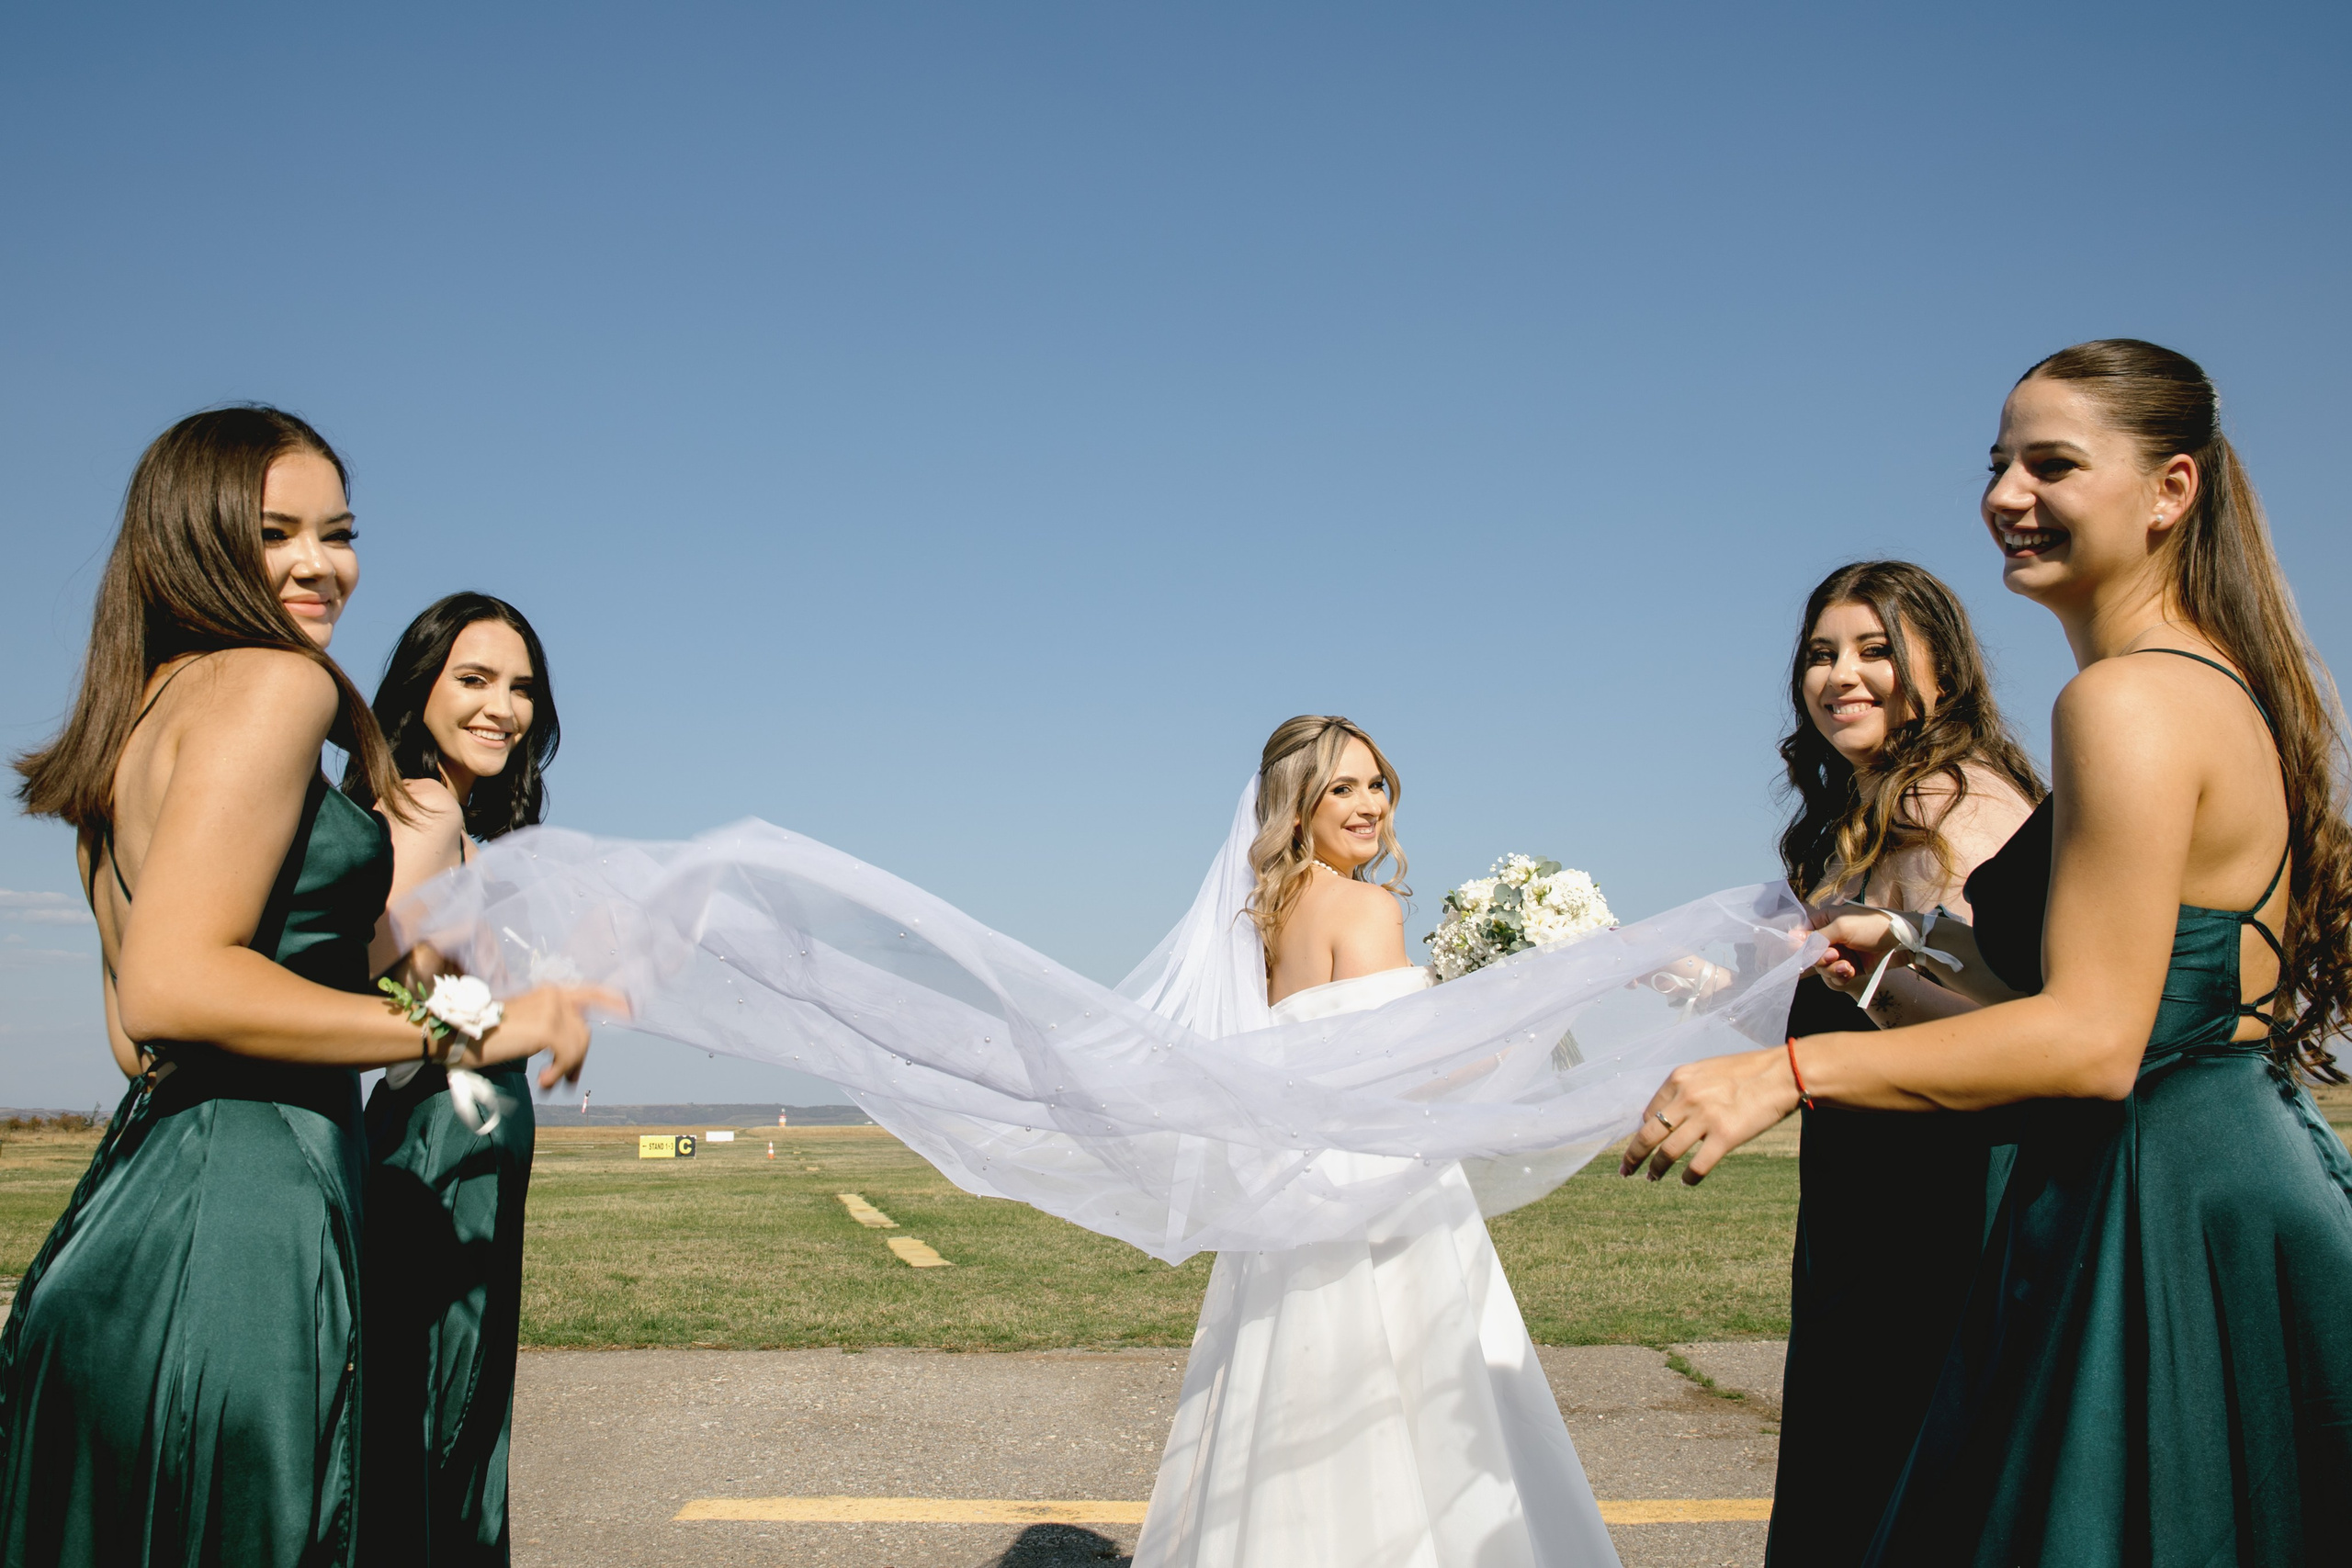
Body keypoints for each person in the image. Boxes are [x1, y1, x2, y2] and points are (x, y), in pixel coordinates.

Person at [1623, 340, 2352, 1564]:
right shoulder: (2208, 681)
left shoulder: (2121, 700)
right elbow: (2153, 968)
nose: (2007, 493)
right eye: (2000, 461)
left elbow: (2094, 1036)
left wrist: (1782, 1073)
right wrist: (1902, 941)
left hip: (2165, 1204)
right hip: (2237, 1168)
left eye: (2053, 463)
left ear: (2171, 489)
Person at [0, 408, 609, 1568]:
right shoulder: (279, 686)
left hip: (130, 1220)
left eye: (338, 532)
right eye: (276, 532)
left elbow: (139, 1051)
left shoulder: (129, 723)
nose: (322, 564)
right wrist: (466, 1024)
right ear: (192, 537)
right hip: (243, 1232)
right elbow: (171, 995)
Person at [1130, 716, 1620, 1568]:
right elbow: (1396, 1085)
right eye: (1341, 789)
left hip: (1298, 1197)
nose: (1368, 807)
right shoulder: (1364, 907)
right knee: (1415, 1408)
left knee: (1293, 1404)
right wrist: (1523, 1020)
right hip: (1386, 1198)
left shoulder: (1269, 915)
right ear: (1296, 810)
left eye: (1376, 784)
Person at [1765, 562, 2040, 1567]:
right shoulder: (1867, 817)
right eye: (1821, 654)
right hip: (1861, 1203)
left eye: (1875, 650)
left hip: (1939, 1213)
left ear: (1942, 667)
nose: (1841, 675)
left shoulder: (1958, 803)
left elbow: (2006, 1018)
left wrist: (1861, 975)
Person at [343, 592, 561, 1565]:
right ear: (419, 691)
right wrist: (508, 1020)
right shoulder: (425, 807)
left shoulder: (463, 824)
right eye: (473, 681)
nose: (501, 709)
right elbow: (379, 982)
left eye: (520, 688)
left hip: (467, 1143)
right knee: (440, 1409)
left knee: (455, 1410)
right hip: (440, 1139)